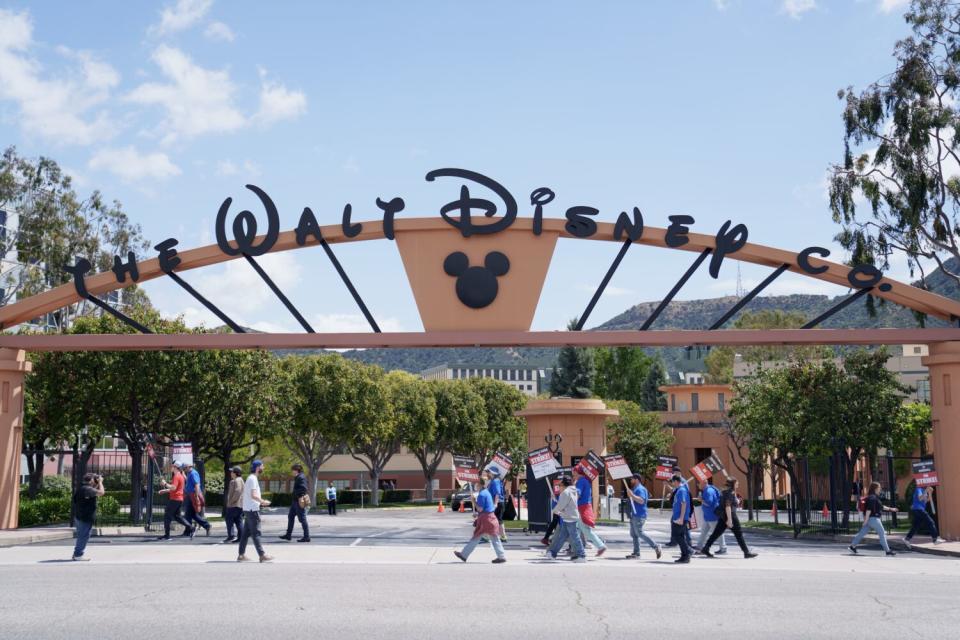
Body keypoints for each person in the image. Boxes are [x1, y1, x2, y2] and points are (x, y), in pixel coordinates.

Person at [454, 470, 507, 564]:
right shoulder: (486, 492)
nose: (475, 486)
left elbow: (480, 509)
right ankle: (501, 556)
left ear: (479, 484)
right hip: (490, 518)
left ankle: (464, 555)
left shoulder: (482, 494)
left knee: (477, 537)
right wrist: (478, 513)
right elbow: (485, 508)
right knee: (491, 538)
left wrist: (473, 501)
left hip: (486, 520)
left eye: (476, 484)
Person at [701, 478, 758, 559]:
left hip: (723, 516)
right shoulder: (730, 492)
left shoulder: (725, 492)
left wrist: (736, 501)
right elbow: (728, 506)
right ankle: (746, 552)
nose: (738, 484)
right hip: (730, 515)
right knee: (738, 533)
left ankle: (706, 548)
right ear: (733, 484)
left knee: (716, 533)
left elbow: (728, 503)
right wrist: (729, 520)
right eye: (737, 483)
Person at [849, 481, 898, 556]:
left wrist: (892, 509)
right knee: (882, 533)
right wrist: (865, 520)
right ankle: (887, 551)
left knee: (862, 533)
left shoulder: (873, 497)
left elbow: (881, 507)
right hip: (874, 519)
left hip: (870, 519)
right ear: (875, 488)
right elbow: (869, 509)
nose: (880, 489)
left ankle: (852, 546)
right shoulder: (873, 497)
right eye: (879, 488)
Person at [238, 460, 273, 562]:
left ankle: (241, 555)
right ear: (258, 467)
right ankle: (262, 555)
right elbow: (253, 495)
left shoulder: (250, 478)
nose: (264, 468)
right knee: (256, 533)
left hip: (248, 509)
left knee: (245, 534)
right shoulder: (253, 479)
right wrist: (263, 501)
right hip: (253, 510)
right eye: (262, 466)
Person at [545, 475, 587, 563]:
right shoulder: (573, 490)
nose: (559, 486)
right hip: (569, 516)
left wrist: (555, 510)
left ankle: (581, 555)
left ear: (564, 484)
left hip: (569, 517)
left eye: (560, 485)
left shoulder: (565, 492)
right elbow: (566, 504)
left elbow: (561, 505)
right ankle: (553, 553)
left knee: (574, 537)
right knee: (562, 537)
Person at [626, 474, 662, 560]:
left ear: (637, 480)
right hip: (634, 514)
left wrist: (632, 496)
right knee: (634, 534)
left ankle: (656, 546)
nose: (631, 481)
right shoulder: (635, 489)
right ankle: (636, 553)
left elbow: (641, 501)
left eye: (632, 479)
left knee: (639, 533)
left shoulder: (640, 489)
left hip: (639, 514)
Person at [574, 467, 607, 557]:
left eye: (574, 472)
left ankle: (600, 545)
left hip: (581, 508)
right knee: (580, 529)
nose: (573, 474)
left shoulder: (580, 481)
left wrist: (571, 503)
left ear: (577, 472)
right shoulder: (585, 481)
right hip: (584, 507)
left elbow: (577, 494)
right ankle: (578, 548)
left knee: (583, 530)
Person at [72, 472, 104, 561]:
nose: (96, 480)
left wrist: (97, 484)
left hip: (80, 516)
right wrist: (100, 482)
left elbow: (94, 492)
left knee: (82, 535)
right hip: (84, 517)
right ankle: (78, 555)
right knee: (83, 536)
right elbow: (101, 493)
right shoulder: (87, 489)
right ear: (91, 480)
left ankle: (76, 554)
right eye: (94, 479)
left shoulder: (83, 488)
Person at [157, 461, 192, 540]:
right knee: (177, 516)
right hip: (179, 499)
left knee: (167, 516)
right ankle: (191, 528)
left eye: (172, 466)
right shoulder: (180, 476)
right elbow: (176, 489)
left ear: (175, 467)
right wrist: (165, 490)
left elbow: (173, 488)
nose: (171, 467)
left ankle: (167, 535)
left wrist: (165, 483)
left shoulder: (176, 476)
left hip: (175, 499)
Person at [696, 479, 728, 555]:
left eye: (699, 483)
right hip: (708, 516)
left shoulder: (708, 491)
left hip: (712, 516)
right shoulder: (709, 489)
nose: (698, 485)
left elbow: (709, 503)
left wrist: (701, 500)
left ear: (704, 483)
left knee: (718, 533)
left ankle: (723, 548)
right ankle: (699, 547)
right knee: (703, 532)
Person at [280, 464, 310, 542]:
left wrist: (295, 493)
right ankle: (288, 535)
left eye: (292, 470)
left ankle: (306, 537)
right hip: (295, 501)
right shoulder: (298, 477)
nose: (292, 472)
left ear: (296, 470)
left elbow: (304, 488)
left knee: (302, 519)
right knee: (290, 516)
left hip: (299, 501)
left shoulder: (301, 477)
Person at [669, 475, 693, 563]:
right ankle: (684, 556)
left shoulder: (682, 490)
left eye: (672, 482)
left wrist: (681, 518)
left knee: (677, 536)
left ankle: (687, 552)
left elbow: (683, 503)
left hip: (680, 518)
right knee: (681, 536)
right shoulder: (679, 490)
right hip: (678, 517)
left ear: (676, 481)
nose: (671, 484)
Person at [182, 461, 210, 538]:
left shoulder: (193, 473)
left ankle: (189, 530)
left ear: (189, 467)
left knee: (188, 514)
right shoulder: (190, 473)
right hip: (191, 495)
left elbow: (197, 485)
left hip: (193, 495)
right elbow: (189, 481)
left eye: (185, 468)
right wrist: (184, 476)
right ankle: (206, 525)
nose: (184, 469)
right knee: (191, 514)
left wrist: (196, 496)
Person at [224, 466, 244, 543]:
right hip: (239, 505)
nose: (231, 473)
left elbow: (238, 491)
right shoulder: (239, 480)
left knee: (229, 519)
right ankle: (241, 537)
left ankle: (231, 536)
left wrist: (232, 501)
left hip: (234, 505)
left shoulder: (237, 481)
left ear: (236, 473)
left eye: (232, 472)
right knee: (238, 521)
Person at [488, 469, 508, 542]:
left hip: (498, 503)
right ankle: (501, 536)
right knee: (495, 519)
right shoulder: (495, 481)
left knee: (494, 519)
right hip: (498, 503)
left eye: (489, 472)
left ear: (493, 473)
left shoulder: (495, 481)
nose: (488, 473)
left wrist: (495, 504)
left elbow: (497, 493)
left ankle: (502, 536)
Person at [540, 482, 562, 546]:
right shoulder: (558, 483)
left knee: (555, 524)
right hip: (559, 507)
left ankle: (548, 538)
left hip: (557, 506)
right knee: (558, 524)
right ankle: (549, 539)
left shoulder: (556, 483)